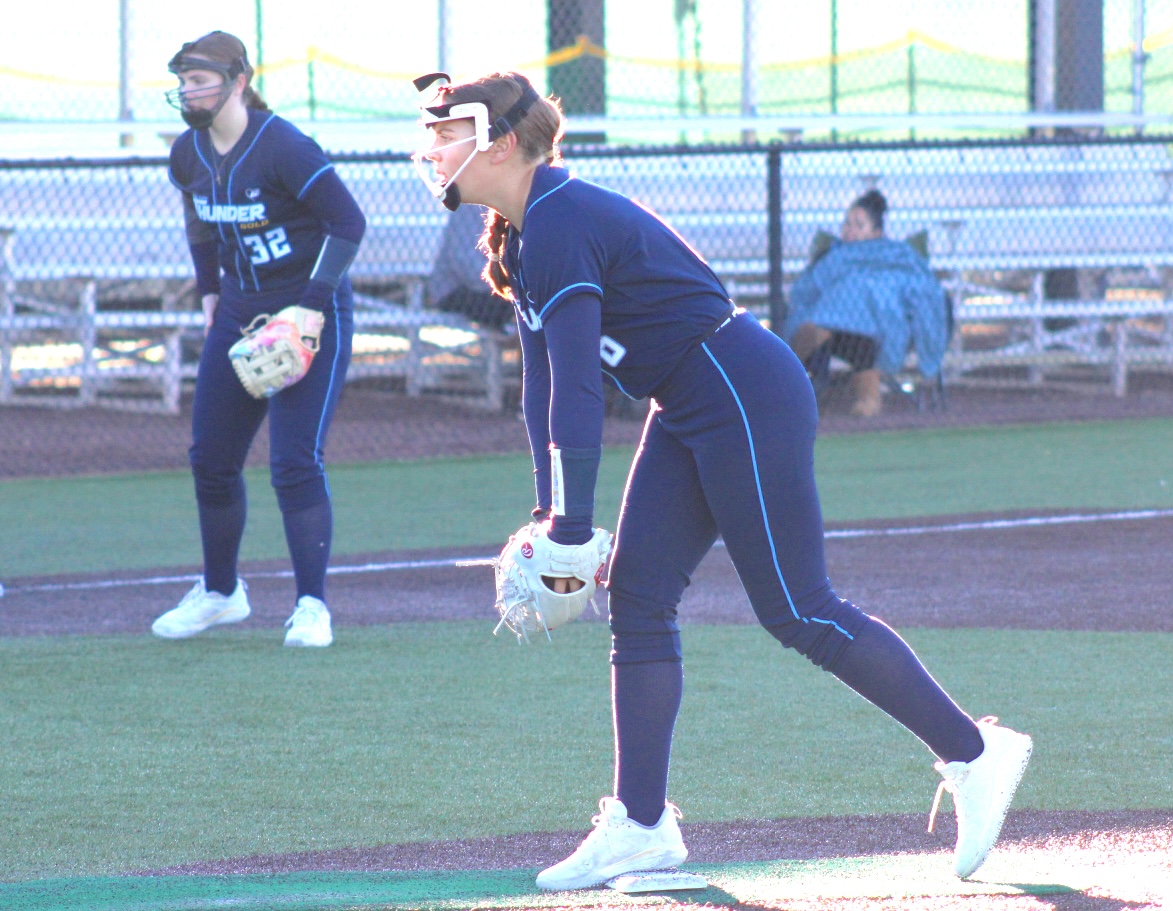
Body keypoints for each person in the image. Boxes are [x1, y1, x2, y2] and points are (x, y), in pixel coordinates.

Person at [412, 71, 1031, 891]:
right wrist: (549, 512)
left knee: (799, 608)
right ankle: (640, 825)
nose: (435, 146)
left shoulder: (557, 218)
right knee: (637, 595)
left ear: (500, 140)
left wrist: (570, 529)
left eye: (449, 128)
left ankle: (977, 752)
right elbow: (542, 391)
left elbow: (579, 391)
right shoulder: (526, 232)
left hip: (740, 388)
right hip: (693, 395)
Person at [150, 31, 365, 648]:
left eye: (201, 80)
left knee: (295, 462)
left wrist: (313, 309)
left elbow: (348, 222)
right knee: (210, 461)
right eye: (185, 82)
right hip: (239, 314)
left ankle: (312, 606)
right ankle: (222, 594)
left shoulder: (283, 145)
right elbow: (197, 220)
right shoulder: (187, 153)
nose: (190, 91)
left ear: (239, 82)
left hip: (308, 311)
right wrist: (208, 290)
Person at [786, 189, 949, 417]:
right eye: (847, 223)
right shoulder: (833, 256)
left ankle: (867, 399)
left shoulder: (894, 254)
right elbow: (807, 289)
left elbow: (920, 288)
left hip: (875, 330)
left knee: (862, 342)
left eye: (858, 225)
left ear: (876, 232)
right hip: (829, 327)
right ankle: (799, 379)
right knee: (817, 331)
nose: (849, 230)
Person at [425, 203, 516, 331]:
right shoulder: (471, 205)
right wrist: (504, 282)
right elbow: (463, 263)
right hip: (456, 289)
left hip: (496, 288)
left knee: (528, 303)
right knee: (519, 306)